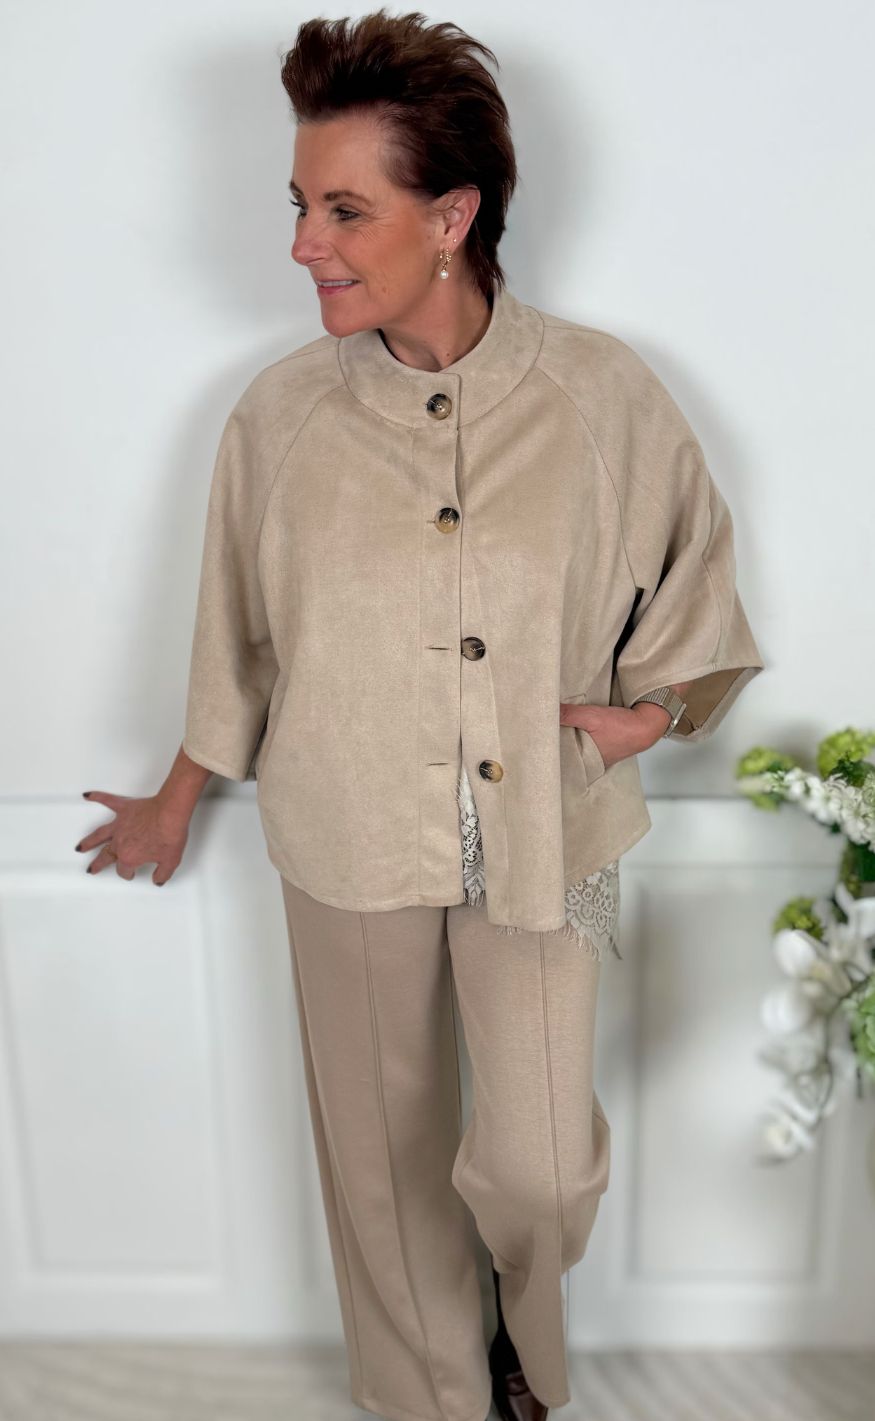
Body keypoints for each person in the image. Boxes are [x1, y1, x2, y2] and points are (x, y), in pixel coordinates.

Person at [74, 10, 766, 1421]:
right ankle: (437, 1400)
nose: (303, 244)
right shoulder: (277, 419)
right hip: (344, 829)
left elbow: (697, 577)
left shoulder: (601, 398)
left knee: (540, 1167)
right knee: (383, 1169)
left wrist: (651, 716)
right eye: (297, 205)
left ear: (452, 215)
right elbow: (238, 632)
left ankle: (519, 1341)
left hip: (546, 826)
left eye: (344, 210)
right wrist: (177, 793)